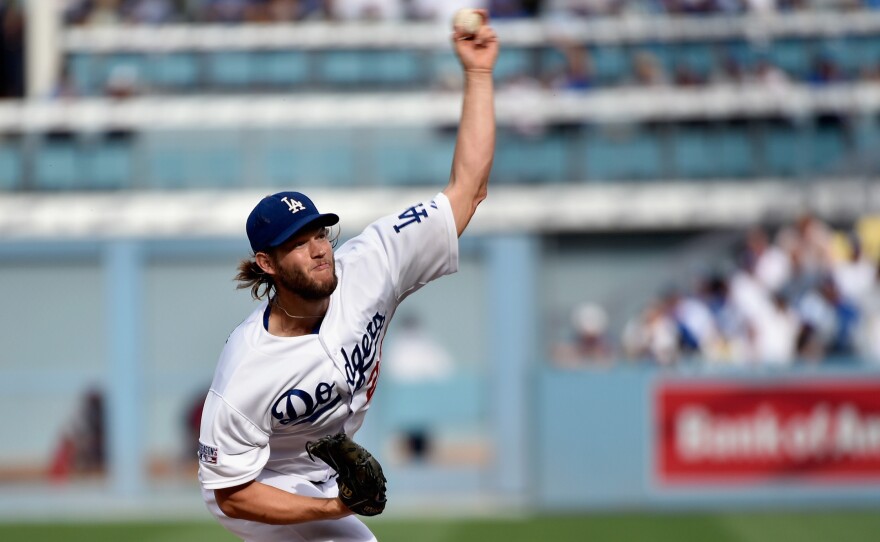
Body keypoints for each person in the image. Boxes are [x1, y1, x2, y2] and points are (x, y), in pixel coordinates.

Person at [197, 13, 498, 542]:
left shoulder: (373, 262)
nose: (317, 250)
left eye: (319, 234)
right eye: (297, 242)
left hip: (320, 469)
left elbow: (467, 190)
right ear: (267, 264)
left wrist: (478, 75)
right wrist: (334, 508)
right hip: (259, 484)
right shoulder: (246, 371)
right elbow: (231, 494)